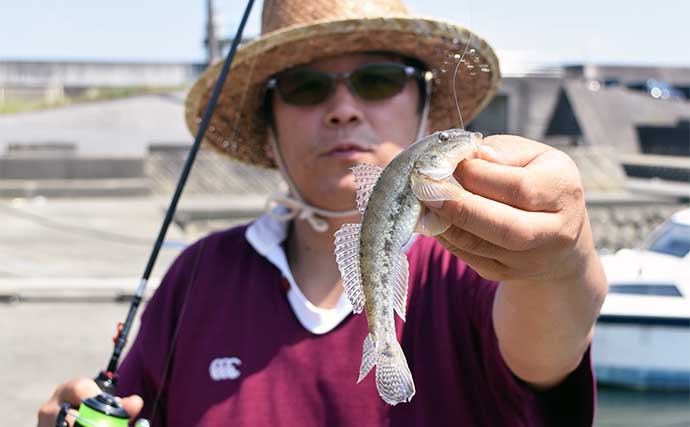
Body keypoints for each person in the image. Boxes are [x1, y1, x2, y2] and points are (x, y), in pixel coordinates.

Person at [38, 0, 607, 425]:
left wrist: (561, 262)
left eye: (377, 79)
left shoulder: (477, 264)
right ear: (268, 126)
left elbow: (552, 333)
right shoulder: (199, 274)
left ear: (424, 107)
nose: (342, 110)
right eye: (306, 87)